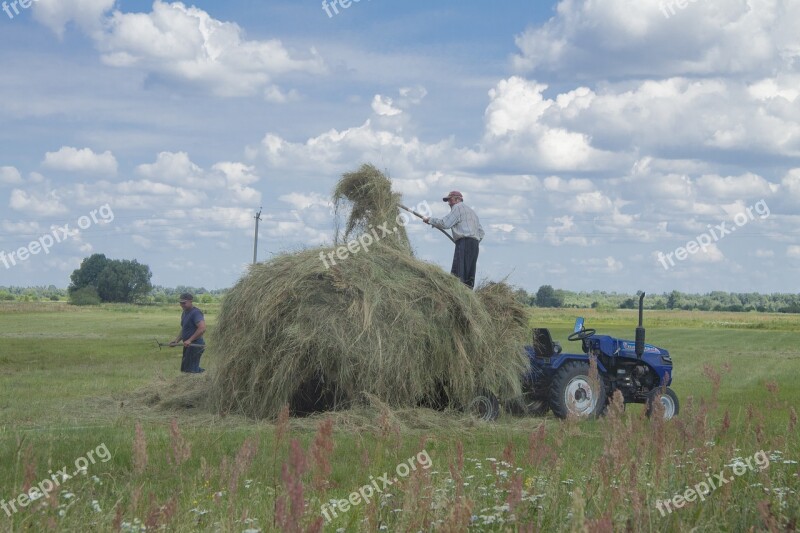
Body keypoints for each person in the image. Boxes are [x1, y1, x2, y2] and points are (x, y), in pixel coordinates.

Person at [423, 190, 485, 288]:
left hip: (464, 243)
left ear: (457, 199)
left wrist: (430, 220)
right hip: (474, 245)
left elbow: (445, 223)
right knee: (469, 275)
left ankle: (457, 295)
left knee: (459, 274)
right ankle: (468, 297)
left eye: (450, 200)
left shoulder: (458, 207)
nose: (449, 203)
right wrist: (473, 241)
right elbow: (481, 233)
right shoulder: (472, 213)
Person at [171, 292, 206, 373]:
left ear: (190, 301)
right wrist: (176, 341)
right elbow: (184, 329)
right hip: (188, 345)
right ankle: (205, 376)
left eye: (184, 303)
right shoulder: (184, 313)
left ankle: (204, 378)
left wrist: (190, 340)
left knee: (191, 370)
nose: (182, 305)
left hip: (195, 344)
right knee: (186, 368)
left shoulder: (195, 313)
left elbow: (202, 328)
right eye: (180, 303)